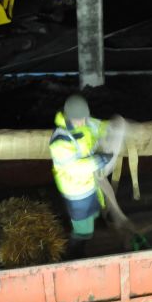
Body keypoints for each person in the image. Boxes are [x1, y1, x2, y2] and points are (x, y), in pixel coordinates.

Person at [49, 94, 111, 258]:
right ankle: (74, 252)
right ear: (68, 117)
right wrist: (100, 160)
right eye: (78, 120)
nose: (82, 122)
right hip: (76, 191)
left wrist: (114, 128)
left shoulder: (86, 122)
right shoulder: (61, 140)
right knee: (82, 227)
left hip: (90, 184)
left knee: (93, 212)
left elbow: (99, 127)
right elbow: (74, 168)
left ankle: (89, 230)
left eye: (84, 118)